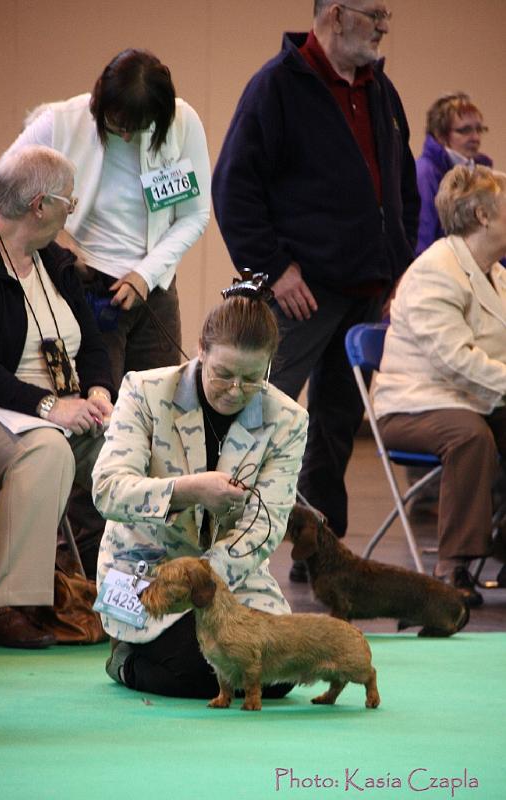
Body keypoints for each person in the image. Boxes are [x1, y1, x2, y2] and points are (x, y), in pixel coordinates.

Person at [212, 0, 419, 581]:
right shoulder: (276, 87)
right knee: (255, 418)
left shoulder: (381, 91)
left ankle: (318, 559)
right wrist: (276, 269)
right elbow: (233, 187)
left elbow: (401, 184)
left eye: (386, 13)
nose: (384, 24)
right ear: (333, 14)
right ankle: (221, 548)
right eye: (373, 12)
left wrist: (399, 263)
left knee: (333, 430)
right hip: (301, 293)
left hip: (365, 290)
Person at [92, 277, 309, 697]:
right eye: (223, 373)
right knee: (196, 671)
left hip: (227, 578)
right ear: (200, 350)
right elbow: (107, 489)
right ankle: (124, 657)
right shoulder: (144, 391)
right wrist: (189, 489)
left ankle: (162, 649)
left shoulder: (288, 419)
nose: (235, 390)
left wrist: (205, 582)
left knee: (275, 674)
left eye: (252, 378)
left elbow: (267, 524)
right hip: (149, 574)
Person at [0, 47, 211, 388]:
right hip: (85, 284)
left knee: (164, 409)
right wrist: (54, 234)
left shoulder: (183, 123)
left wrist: (144, 276)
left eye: (137, 128)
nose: (125, 136)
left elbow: (195, 215)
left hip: (155, 288)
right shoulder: (63, 120)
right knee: (99, 409)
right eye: (117, 124)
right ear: (100, 103)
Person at [0, 145, 114, 648]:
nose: (71, 210)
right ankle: (4, 606)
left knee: (129, 441)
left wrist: (97, 391)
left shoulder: (54, 261)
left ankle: (134, 591)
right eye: (68, 202)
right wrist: (50, 407)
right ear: (39, 205)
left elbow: (93, 345)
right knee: (46, 447)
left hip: (55, 411)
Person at [373, 165, 506, 607]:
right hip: (411, 407)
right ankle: (452, 568)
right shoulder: (435, 270)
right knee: (470, 436)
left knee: (477, 426)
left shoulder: (497, 273)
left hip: (470, 400)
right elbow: (455, 360)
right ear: (483, 216)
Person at [416, 92, 492, 256]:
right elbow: (423, 239)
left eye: (479, 129)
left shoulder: (484, 174)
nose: (476, 137)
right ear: (440, 135)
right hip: (441, 271)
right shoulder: (425, 173)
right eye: (465, 130)